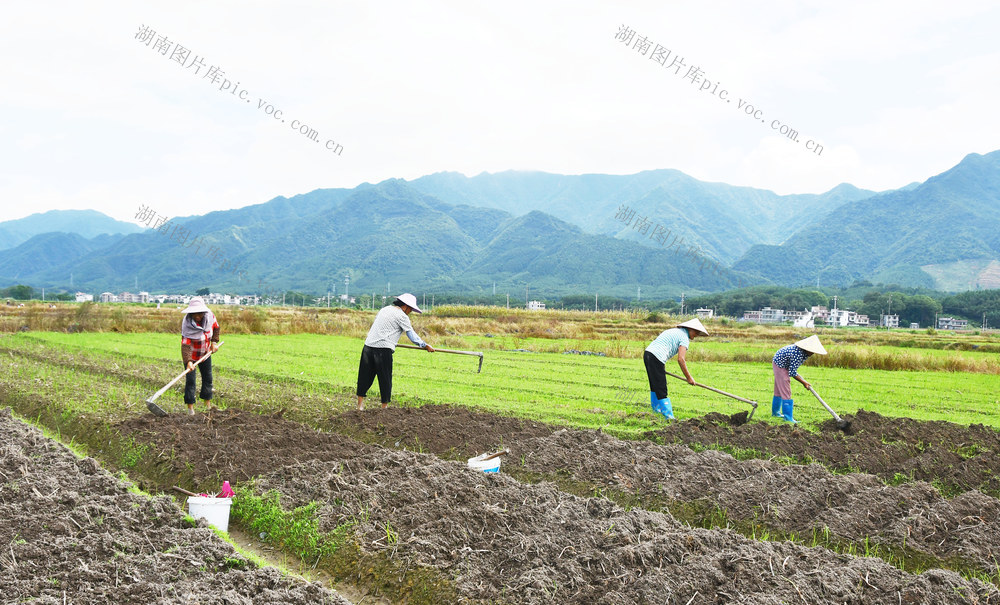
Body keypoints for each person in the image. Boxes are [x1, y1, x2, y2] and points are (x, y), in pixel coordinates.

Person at [356, 293, 435, 411]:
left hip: (368, 346)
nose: (411, 312)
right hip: (383, 350)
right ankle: (384, 408)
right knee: (385, 378)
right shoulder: (402, 316)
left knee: (364, 376)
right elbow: (411, 335)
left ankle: (360, 405)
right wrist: (425, 345)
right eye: (411, 309)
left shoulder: (384, 309)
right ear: (406, 306)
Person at [643, 318, 709, 420]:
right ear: (690, 329)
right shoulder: (684, 338)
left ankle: (656, 412)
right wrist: (689, 378)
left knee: (655, 385)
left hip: (648, 354)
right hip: (657, 357)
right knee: (661, 388)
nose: (696, 335)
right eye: (696, 332)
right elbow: (681, 359)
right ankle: (668, 417)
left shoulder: (674, 331)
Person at [772, 335, 827, 423]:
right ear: (807, 348)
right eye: (812, 351)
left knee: (779, 390)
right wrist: (803, 382)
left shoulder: (803, 353)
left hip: (781, 364)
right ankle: (788, 417)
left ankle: (775, 413)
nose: (813, 353)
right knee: (786, 390)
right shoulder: (797, 354)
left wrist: (804, 381)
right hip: (780, 365)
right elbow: (792, 373)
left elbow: (793, 370)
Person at [180, 297, 220, 415]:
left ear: (204, 312)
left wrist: (214, 343)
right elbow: (185, 345)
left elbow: (216, 328)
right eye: (194, 313)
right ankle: (190, 408)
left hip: (205, 354)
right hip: (191, 356)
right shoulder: (187, 324)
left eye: (199, 313)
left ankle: (207, 405)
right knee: (191, 381)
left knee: (208, 379)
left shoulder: (210, 317)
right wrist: (188, 361)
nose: (197, 316)